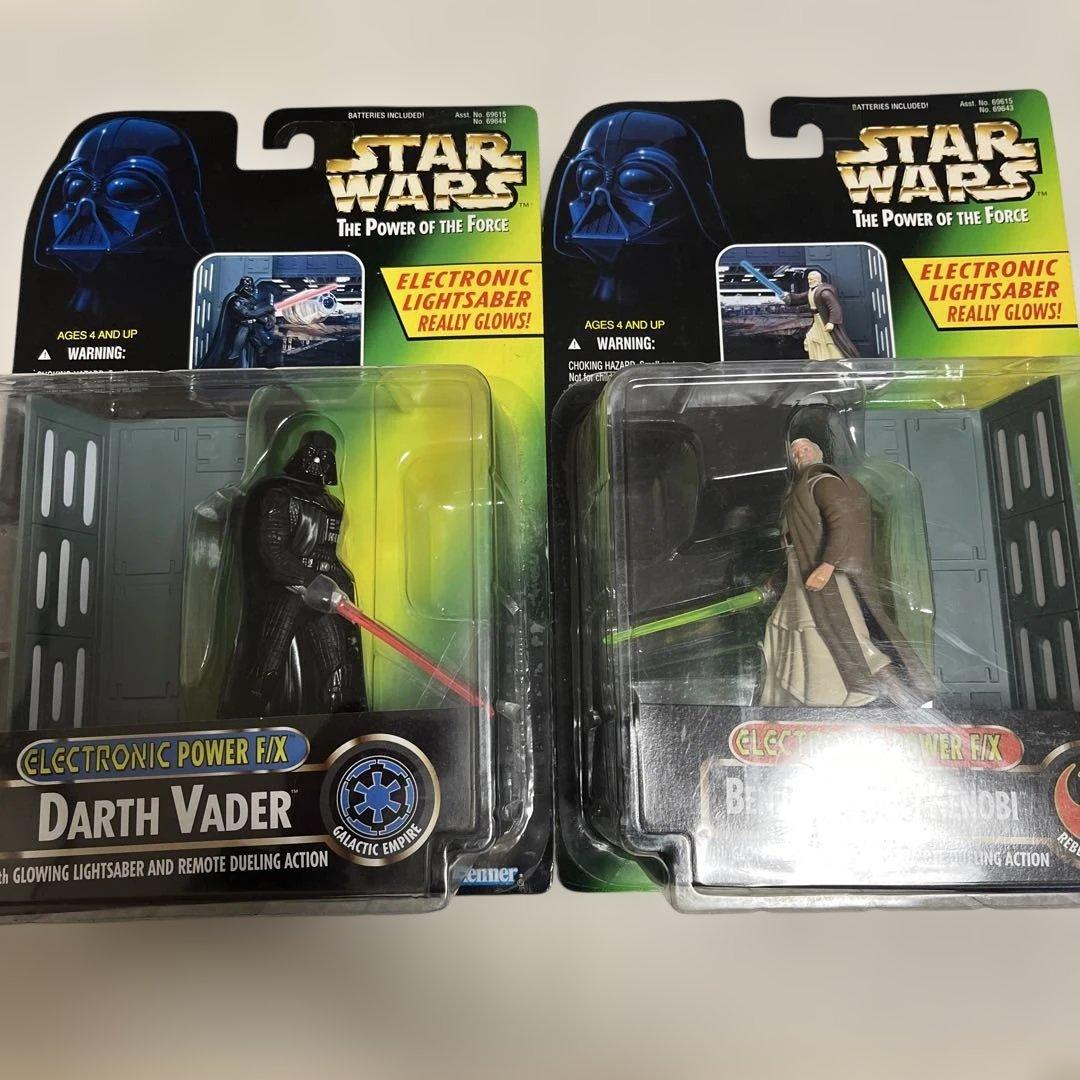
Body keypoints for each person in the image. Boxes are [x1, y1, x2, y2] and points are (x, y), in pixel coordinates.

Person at [759, 436, 934, 708]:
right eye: (795, 452)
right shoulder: (799, 490)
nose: (800, 454)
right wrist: (779, 578)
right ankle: (792, 701)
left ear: (818, 452)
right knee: (781, 630)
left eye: (805, 448)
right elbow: (801, 546)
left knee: (856, 644)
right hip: (803, 577)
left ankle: (910, 706)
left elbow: (846, 521)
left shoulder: (822, 481)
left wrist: (828, 565)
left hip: (830, 580)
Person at [221, 430, 366, 718]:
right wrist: (308, 580)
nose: (317, 462)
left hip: (326, 596)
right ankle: (245, 723)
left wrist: (345, 594)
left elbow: (333, 556)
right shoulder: (281, 497)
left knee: (338, 673)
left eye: (324, 456)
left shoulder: (334, 507)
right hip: (291, 592)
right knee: (266, 668)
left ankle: (339, 728)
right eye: (312, 454)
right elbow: (273, 551)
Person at [785, 270, 859, 361]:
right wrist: (788, 297)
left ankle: (837, 359)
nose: (809, 281)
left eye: (811, 279)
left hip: (823, 320)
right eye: (808, 279)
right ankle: (819, 358)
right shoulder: (812, 291)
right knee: (811, 339)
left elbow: (835, 307)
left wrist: (831, 322)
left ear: (818, 280)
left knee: (829, 341)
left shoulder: (824, 292)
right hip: (816, 320)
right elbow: (800, 298)